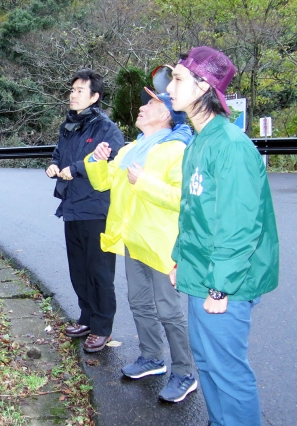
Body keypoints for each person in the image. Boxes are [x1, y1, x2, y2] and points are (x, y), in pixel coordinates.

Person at [166, 46, 279, 425]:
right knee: (208, 362)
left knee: (227, 371)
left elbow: (239, 224)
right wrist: (180, 259)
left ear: (203, 87)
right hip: (202, 271)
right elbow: (194, 212)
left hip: (225, 281)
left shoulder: (230, 145)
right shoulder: (199, 141)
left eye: (178, 79)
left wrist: (221, 287)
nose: (169, 88)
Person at [83, 87, 198, 402]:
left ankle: (184, 373)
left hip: (162, 244)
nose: (142, 107)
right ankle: (151, 358)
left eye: (151, 103)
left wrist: (144, 182)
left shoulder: (177, 150)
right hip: (134, 239)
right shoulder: (131, 149)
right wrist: (96, 160)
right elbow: (103, 182)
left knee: (169, 311)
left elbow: (184, 198)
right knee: (139, 303)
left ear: (165, 114)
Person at [46, 69, 124, 353]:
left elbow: (112, 158)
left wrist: (76, 168)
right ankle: (86, 318)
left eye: (80, 90)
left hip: (96, 208)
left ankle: (102, 327)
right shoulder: (69, 125)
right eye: (72, 90)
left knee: (99, 271)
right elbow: (59, 153)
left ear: (94, 97)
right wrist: (54, 165)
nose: (73, 94)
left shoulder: (106, 128)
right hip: (72, 207)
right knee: (79, 269)